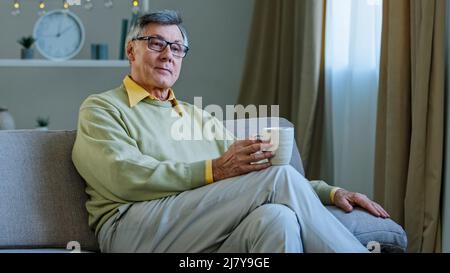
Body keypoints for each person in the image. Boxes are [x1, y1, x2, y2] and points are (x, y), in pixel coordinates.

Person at [72, 10, 389, 253]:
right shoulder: (102, 108)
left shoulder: (197, 117)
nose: (168, 54)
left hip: (200, 226)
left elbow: (258, 173)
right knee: (277, 180)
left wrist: (331, 193)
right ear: (131, 51)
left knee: (277, 219)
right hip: (132, 229)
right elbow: (123, 176)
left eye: (178, 47)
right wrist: (214, 170)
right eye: (156, 44)